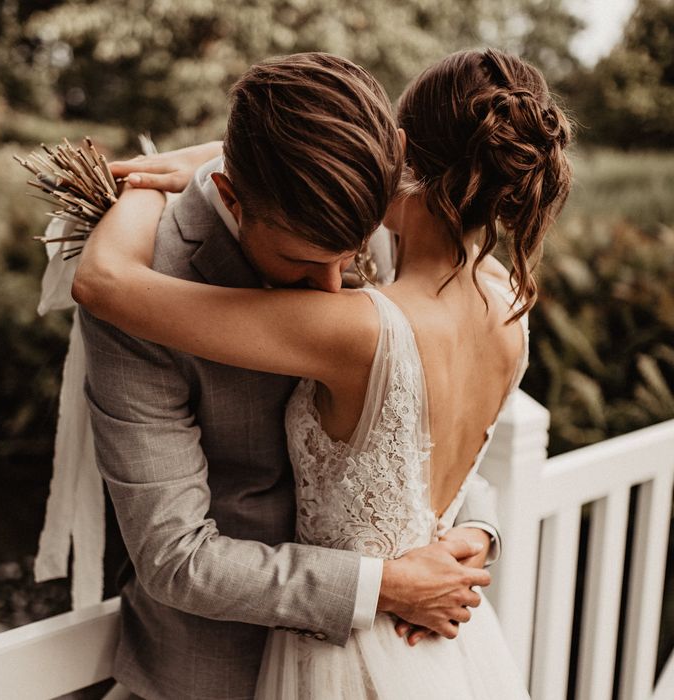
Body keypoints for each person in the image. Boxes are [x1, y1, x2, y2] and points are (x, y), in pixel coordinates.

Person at [74, 52, 530, 699]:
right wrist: (386, 583)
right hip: (214, 677)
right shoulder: (149, 289)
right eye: (303, 262)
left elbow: (417, 439)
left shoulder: (370, 211)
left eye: (350, 255)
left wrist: (476, 534)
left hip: (392, 658)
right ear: (232, 197)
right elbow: (175, 557)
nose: (335, 286)